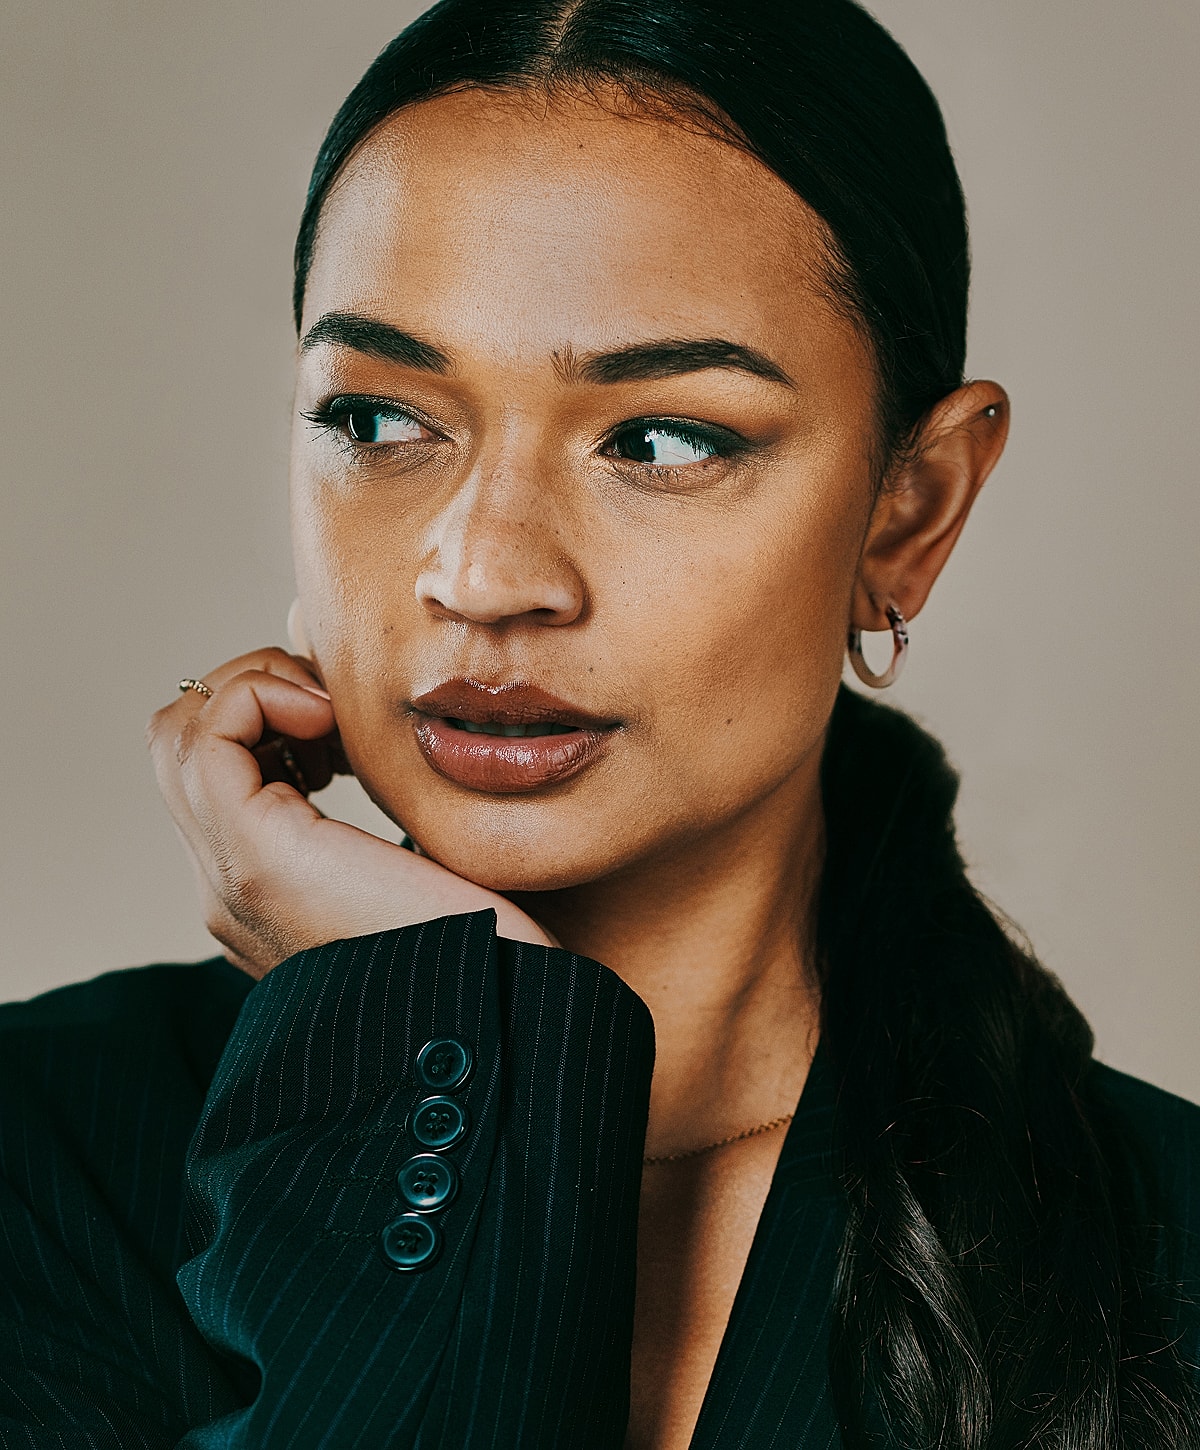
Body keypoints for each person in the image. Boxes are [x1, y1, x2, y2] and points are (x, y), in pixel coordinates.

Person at [2, 0, 1198, 1446]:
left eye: (661, 439)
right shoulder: (40, 1158)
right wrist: (440, 1025)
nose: (483, 574)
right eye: (379, 420)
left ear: (914, 505)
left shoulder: (1166, 1249)